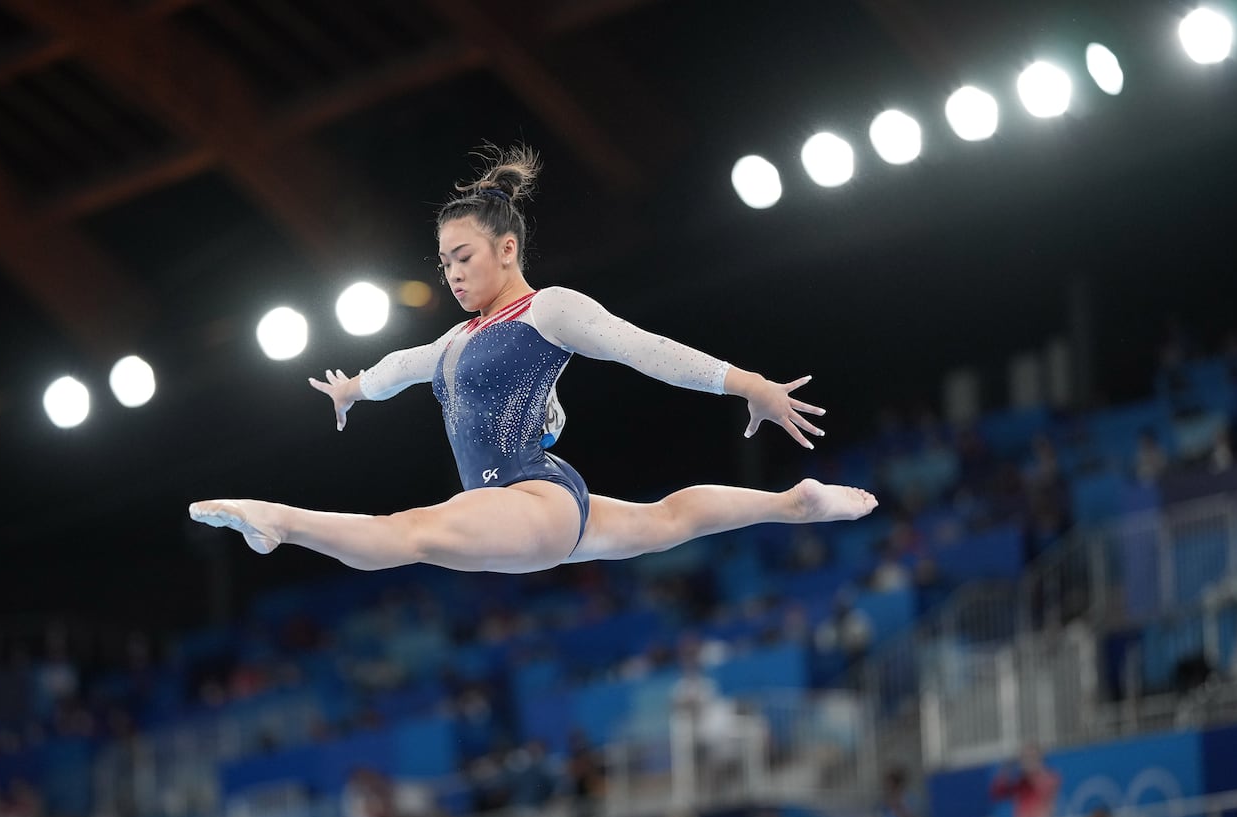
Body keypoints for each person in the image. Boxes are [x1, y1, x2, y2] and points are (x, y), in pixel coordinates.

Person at [190, 145, 877, 573]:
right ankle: (795, 503)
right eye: (443, 264)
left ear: (507, 249)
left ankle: (280, 520)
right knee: (669, 519)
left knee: (411, 533)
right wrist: (356, 390)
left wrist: (750, 383)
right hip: (519, 507)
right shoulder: (453, 343)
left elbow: (645, 350)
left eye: (463, 258)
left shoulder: (548, 310)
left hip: (532, 496)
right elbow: (401, 366)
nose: (452, 275)